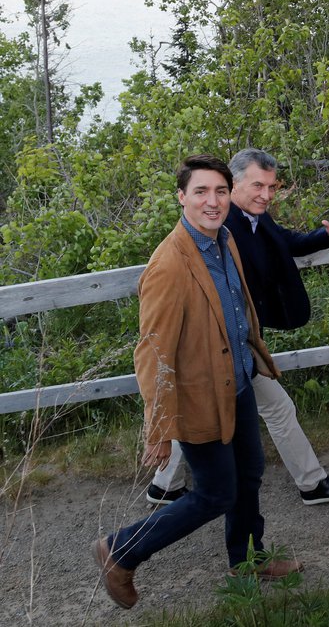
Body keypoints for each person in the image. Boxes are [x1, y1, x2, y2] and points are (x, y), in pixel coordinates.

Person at [93, 155, 302, 609]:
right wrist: (160, 426)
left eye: (221, 191)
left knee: (249, 475)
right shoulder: (169, 265)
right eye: (202, 192)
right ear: (182, 197)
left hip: (238, 383)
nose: (213, 201)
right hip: (197, 398)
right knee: (214, 493)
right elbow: (153, 353)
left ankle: (247, 559)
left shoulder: (223, 239)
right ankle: (122, 550)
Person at [147, 148, 329, 507]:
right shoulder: (222, 226)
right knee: (263, 411)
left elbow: (285, 243)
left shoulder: (251, 218)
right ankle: (310, 485)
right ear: (234, 185)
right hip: (221, 347)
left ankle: (164, 486)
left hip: (237, 342)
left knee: (221, 408)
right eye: (258, 186)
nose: (266, 195)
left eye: (272, 187)